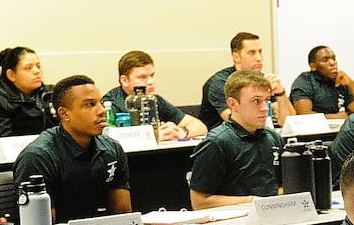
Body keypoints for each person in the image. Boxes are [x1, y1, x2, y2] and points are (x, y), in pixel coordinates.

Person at [12, 75, 132, 222]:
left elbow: (123, 217)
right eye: (90, 104)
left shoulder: (112, 149)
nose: (101, 111)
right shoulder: (38, 157)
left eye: (100, 103)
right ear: (64, 114)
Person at [188, 70, 285, 209]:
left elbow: (285, 187)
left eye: (267, 100)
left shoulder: (273, 138)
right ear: (233, 104)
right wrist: (253, 201)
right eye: (256, 101)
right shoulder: (216, 143)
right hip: (234, 221)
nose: (265, 108)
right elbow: (200, 202)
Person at [102, 50, 207, 142]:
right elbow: (107, 139)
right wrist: (152, 136)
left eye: (152, 75)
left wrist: (180, 131)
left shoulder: (154, 100)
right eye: (142, 77)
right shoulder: (110, 104)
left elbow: (200, 127)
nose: (150, 82)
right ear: (124, 80)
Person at [198, 32, 289, 130]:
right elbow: (237, 122)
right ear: (236, 57)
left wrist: (281, 93)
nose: (259, 58)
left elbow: (288, 124)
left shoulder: (262, 80)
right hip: (225, 140)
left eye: (260, 51)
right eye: (252, 53)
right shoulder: (220, 83)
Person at [0, 46, 51, 143]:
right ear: (11, 75)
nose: (37, 71)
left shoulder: (49, 94)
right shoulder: (0, 98)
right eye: (28, 68)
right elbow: (4, 140)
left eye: (38, 66)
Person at [289, 45, 354, 120]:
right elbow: (304, 116)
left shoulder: (341, 80)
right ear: (313, 66)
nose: (332, 63)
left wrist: (352, 84)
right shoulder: (305, 81)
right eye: (325, 60)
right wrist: (337, 117)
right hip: (311, 130)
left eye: (333, 58)